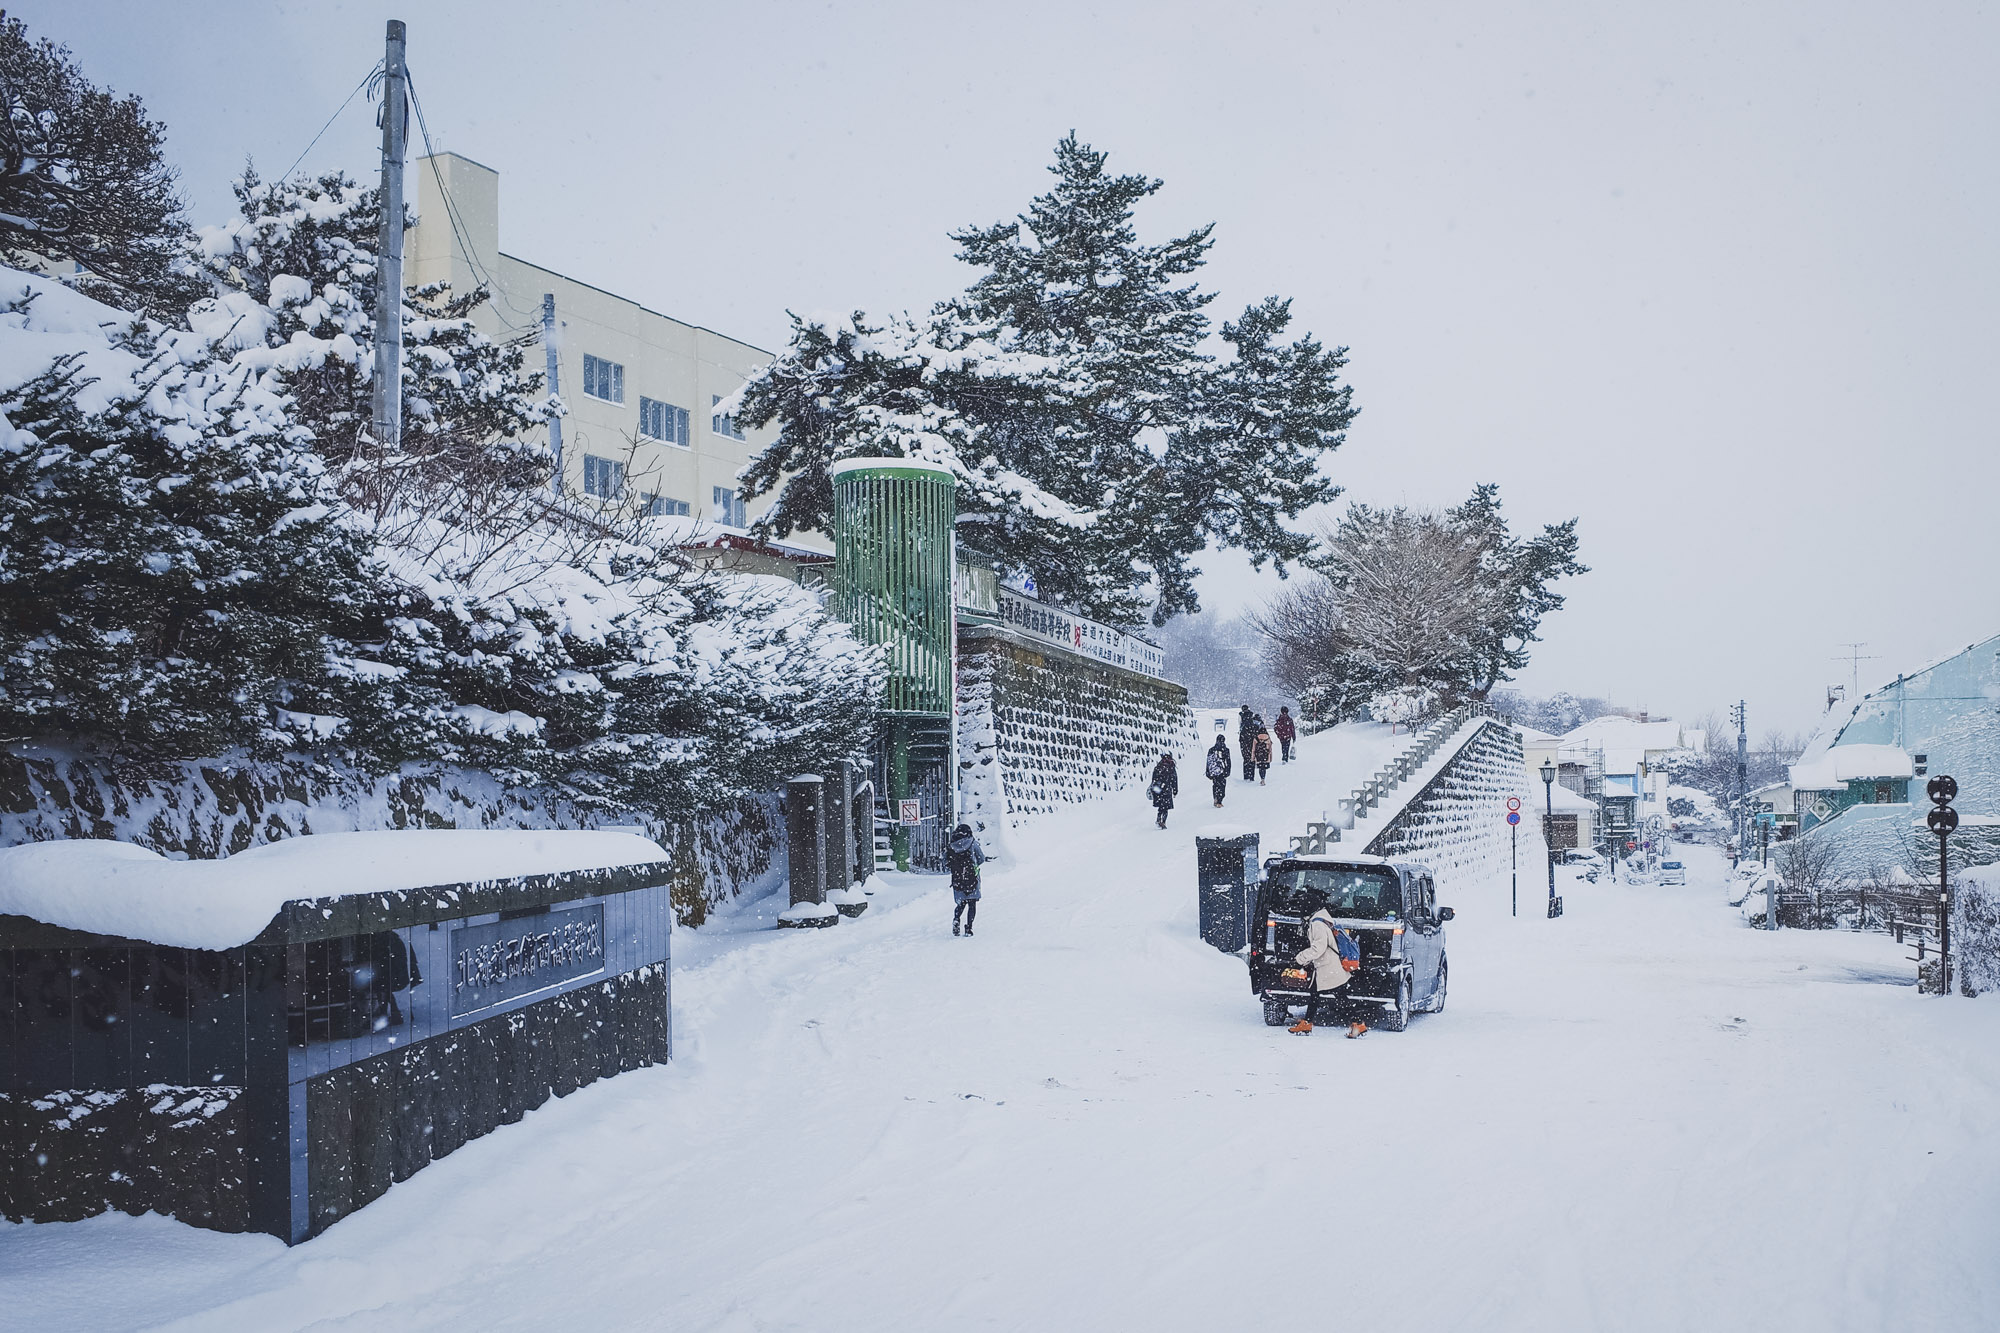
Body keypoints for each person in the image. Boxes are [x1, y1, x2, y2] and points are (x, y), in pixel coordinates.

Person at [1289, 901, 1368, 1038]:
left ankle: (1358, 1024)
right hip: (1328, 966)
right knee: (1319, 994)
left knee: (1338, 996)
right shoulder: (1322, 920)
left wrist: (1300, 958)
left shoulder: (1317, 924)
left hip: (1328, 967)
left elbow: (1318, 948)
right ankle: (1307, 1024)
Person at [945, 823, 985, 936]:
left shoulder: (951, 845)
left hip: (957, 879)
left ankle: (956, 918)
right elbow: (981, 858)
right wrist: (973, 865)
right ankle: (968, 929)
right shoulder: (972, 843)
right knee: (972, 904)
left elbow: (945, 862)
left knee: (961, 903)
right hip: (972, 877)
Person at [1147, 752, 1178, 829]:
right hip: (1167, 789)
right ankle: (1163, 822)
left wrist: (1154, 788)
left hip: (1158, 789)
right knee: (1165, 807)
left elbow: (1153, 779)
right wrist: (1175, 790)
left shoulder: (1158, 767)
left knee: (1161, 806)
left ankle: (1158, 819)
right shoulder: (1171, 767)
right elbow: (1174, 779)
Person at [1204, 735, 1232, 807]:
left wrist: (1208, 772)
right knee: (1222, 786)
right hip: (1222, 771)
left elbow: (1208, 762)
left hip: (1214, 772)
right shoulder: (1225, 750)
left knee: (1215, 785)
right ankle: (1219, 801)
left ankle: (1215, 798)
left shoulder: (1211, 750)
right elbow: (1228, 761)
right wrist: (1228, 771)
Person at [1237, 705, 1258, 780]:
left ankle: (1246, 776)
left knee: (1245, 758)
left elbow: (1239, 725)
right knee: (1252, 757)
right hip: (1251, 739)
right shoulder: (1252, 717)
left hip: (1243, 739)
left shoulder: (1241, 716)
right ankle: (1251, 776)